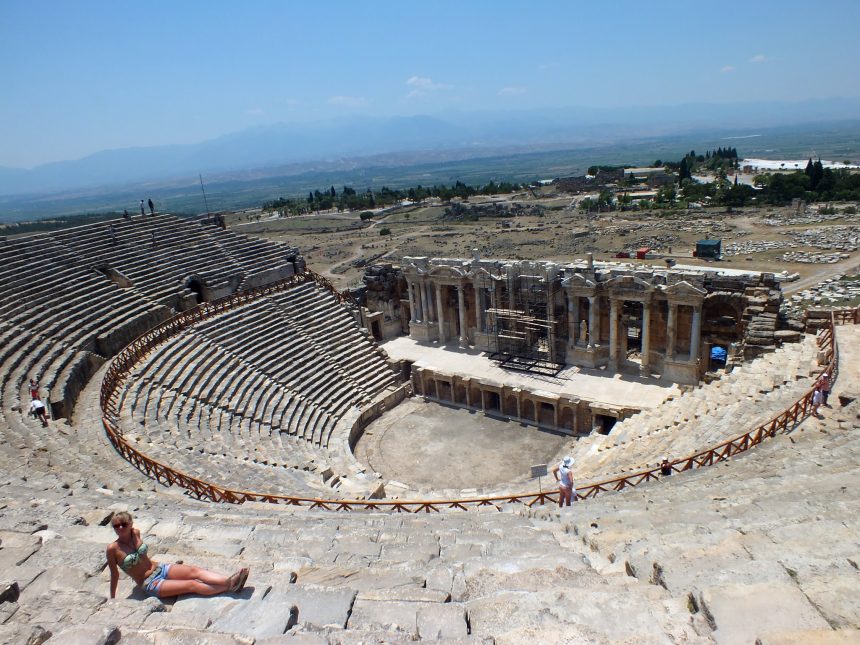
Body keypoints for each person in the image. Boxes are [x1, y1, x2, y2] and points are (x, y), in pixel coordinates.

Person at [106, 512, 249, 599]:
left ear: (131, 523)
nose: (120, 528)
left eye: (123, 524)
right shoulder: (113, 549)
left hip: (160, 568)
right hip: (150, 583)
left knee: (195, 571)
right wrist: (112, 598)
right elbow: (114, 575)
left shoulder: (135, 533)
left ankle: (229, 582)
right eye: (116, 526)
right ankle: (230, 585)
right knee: (192, 585)